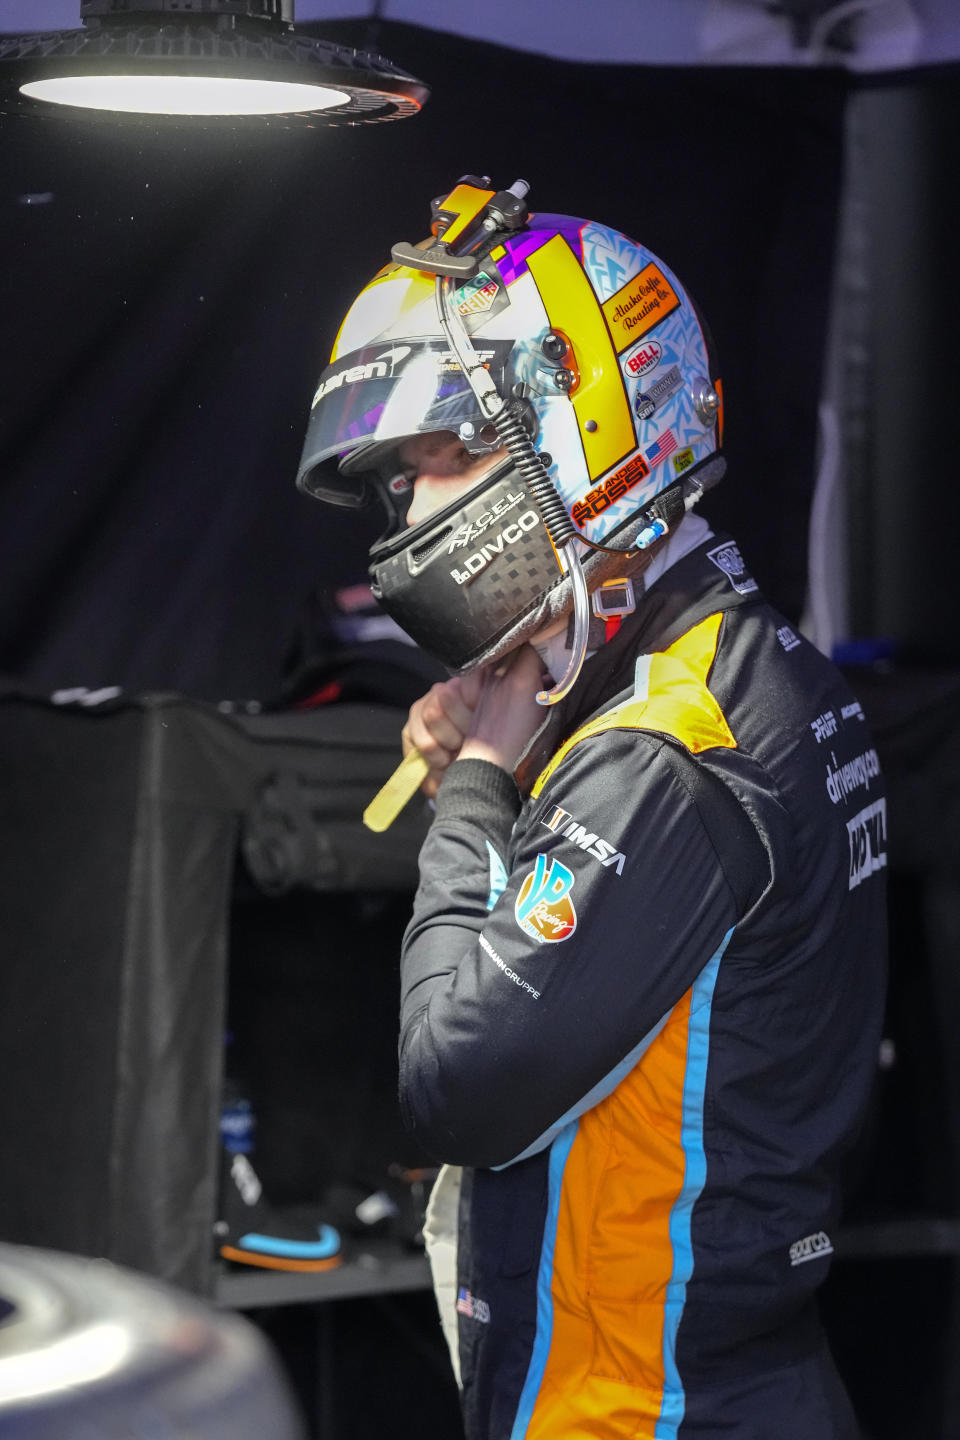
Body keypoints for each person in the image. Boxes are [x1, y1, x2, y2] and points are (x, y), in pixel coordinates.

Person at [296, 178, 887, 1439]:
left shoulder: (670, 748)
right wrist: (522, 736)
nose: (415, 514)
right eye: (400, 480)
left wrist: (479, 785)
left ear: (590, 423)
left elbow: (454, 1084)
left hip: (641, 1406)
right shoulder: (741, 661)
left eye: (444, 454)